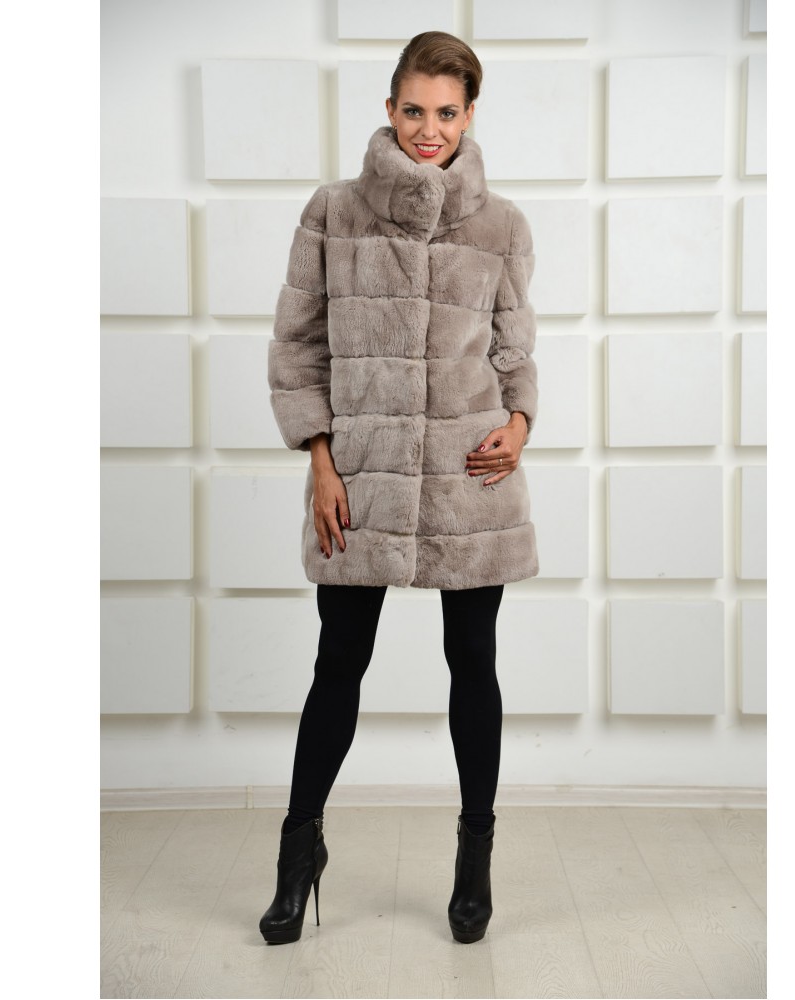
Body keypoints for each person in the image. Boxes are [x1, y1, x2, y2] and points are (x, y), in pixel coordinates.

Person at [261, 30, 538, 946]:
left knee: (474, 665)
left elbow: (515, 349)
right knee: (338, 664)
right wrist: (320, 459)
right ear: (388, 108)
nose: (429, 129)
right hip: (363, 477)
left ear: (470, 116)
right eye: (414, 110)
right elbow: (299, 345)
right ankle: (299, 852)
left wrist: (519, 425)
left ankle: (474, 855)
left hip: (469, 476)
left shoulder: (500, 226)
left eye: (447, 113)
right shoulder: (334, 212)